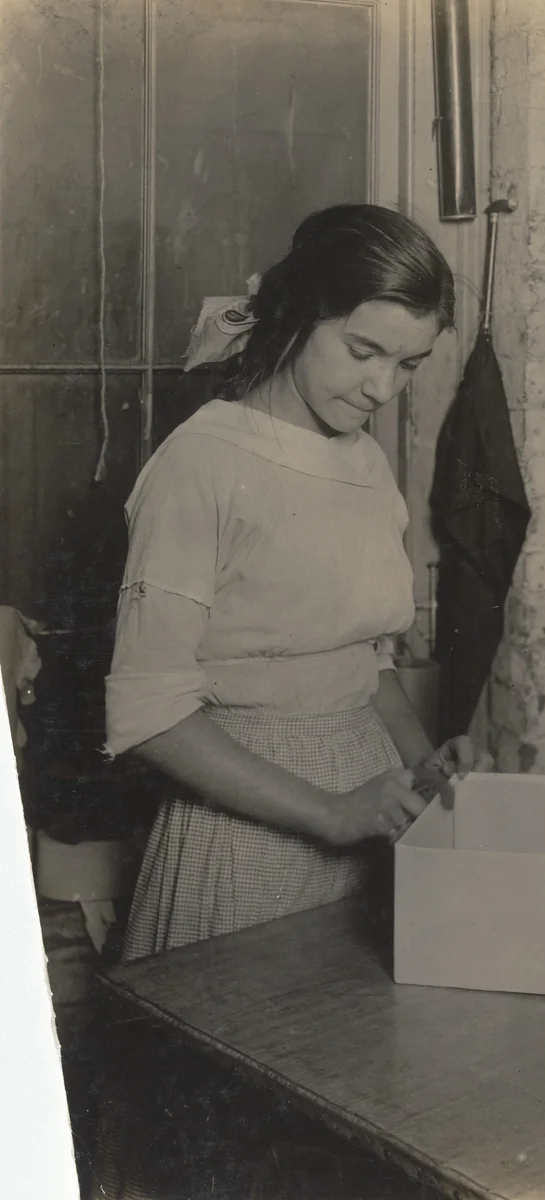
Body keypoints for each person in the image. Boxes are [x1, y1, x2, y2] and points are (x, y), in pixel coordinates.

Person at [92, 204, 489, 1200]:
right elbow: (147, 717)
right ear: (303, 312)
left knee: (355, 1151)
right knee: (237, 1162)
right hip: (244, 849)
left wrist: (420, 766)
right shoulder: (201, 465)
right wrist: (327, 812)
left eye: (407, 366)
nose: (382, 388)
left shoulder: (366, 463)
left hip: (363, 842)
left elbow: (364, 667)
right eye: (363, 351)